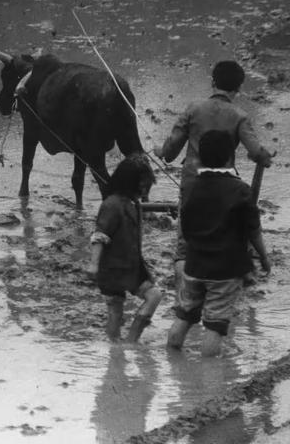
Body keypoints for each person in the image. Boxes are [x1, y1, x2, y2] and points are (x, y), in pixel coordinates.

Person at [154, 60, 273, 288]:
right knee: (227, 235)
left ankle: (182, 298)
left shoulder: (193, 108)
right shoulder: (239, 116)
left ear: (212, 82)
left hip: (192, 185)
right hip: (226, 188)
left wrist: (161, 151)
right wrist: (265, 157)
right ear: (238, 88)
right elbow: (257, 152)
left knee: (184, 247)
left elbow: (170, 151)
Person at [167, 130, 271, 357]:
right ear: (229, 158)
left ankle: (173, 359)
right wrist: (263, 257)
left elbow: (186, 227)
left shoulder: (191, 187)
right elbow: (253, 231)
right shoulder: (241, 190)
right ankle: (208, 377)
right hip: (224, 271)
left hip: (194, 266)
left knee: (184, 316)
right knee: (215, 326)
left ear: (201, 158)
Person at [87, 155, 163, 342]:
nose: (145, 190)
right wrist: (94, 265)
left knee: (153, 296)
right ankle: (120, 348)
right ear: (131, 183)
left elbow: (140, 207)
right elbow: (99, 236)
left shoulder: (131, 202)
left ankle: (128, 342)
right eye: (143, 185)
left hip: (131, 267)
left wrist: (167, 207)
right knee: (116, 311)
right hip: (113, 269)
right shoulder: (111, 205)